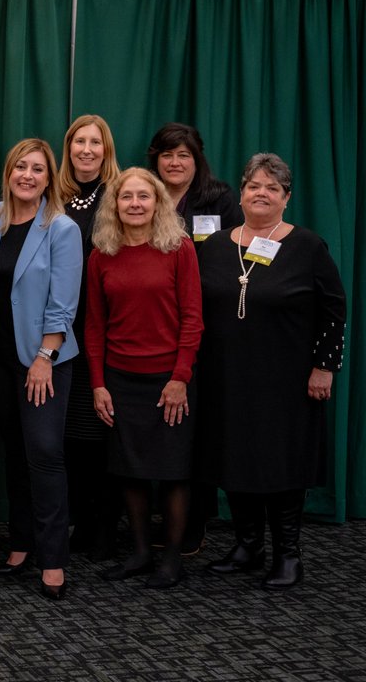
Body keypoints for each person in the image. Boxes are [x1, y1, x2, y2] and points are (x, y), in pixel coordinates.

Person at [198, 154, 345, 589]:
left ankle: (288, 554)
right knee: (236, 458)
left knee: (282, 464)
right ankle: (248, 545)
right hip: (228, 377)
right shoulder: (218, 244)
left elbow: (334, 310)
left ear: (286, 199)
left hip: (287, 380)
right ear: (240, 194)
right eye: (254, 186)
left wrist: (325, 366)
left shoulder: (307, 245)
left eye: (272, 188)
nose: (261, 193)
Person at [87, 168, 203, 589]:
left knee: (173, 471)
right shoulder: (102, 254)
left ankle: (171, 559)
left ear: (158, 203)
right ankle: (138, 553)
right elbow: (95, 327)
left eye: (143, 196)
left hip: (169, 380)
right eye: (126, 197)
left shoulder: (178, 248)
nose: (135, 203)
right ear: (114, 205)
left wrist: (180, 378)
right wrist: (98, 383)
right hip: (120, 379)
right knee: (129, 469)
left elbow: (193, 319)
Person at [0, 139, 82, 601]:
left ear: (49, 178)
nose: (27, 175)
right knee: (14, 453)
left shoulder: (61, 229)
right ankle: (21, 543)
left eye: (37, 169)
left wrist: (45, 357)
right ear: (8, 173)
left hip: (42, 361)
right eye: (20, 166)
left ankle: (54, 558)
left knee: (44, 454)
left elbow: (63, 305)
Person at [147, 122, 242, 555]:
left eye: (183, 154)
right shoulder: (142, 195)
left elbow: (240, 253)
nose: (175, 162)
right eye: (167, 154)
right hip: (156, 327)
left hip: (211, 327)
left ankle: (195, 521)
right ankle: (162, 518)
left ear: (197, 158)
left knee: (199, 428)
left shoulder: (218, 198)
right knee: (165, 429)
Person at [58, 115, 122, 559]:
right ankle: (78, 520)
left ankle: (105, 527)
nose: (86, 149)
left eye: (94, 142)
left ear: (106, 149)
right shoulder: (53, 197)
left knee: (104, 432)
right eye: (78, 141)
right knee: (70, 434)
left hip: (107, 329)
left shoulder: (120, 196)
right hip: (60, 332)